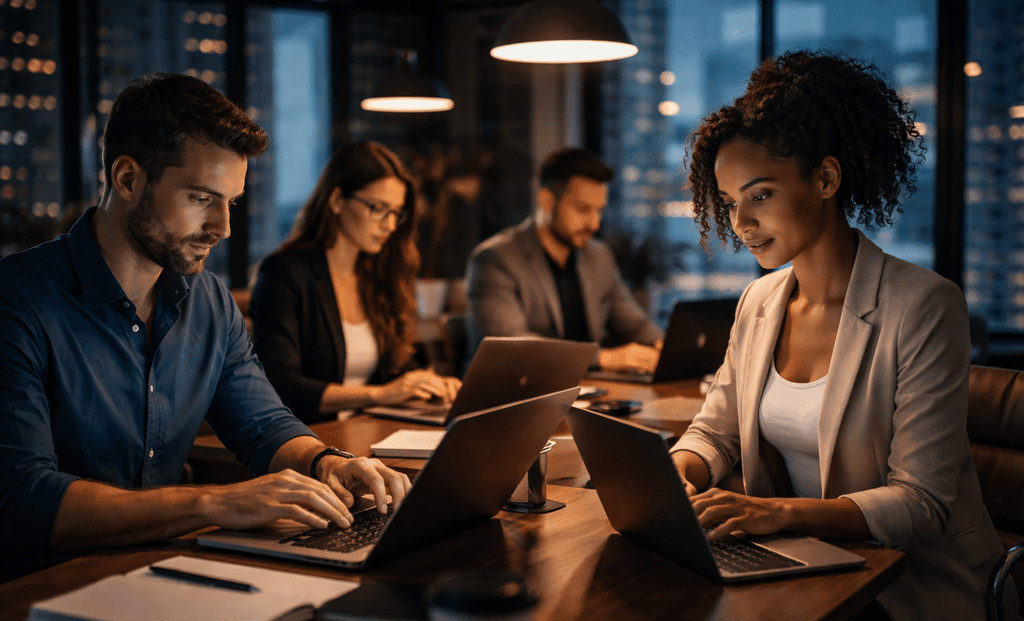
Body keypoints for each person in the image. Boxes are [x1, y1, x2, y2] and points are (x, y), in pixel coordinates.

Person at [672, 51, 1024, 621]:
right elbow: (716, 429)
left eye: (761, 195)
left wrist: (776, 514)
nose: (742, 224)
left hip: (904, 592)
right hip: (792, 568)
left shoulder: (924, 305)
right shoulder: (758, 302)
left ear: (826, 180)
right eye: (728, 203)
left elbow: (921, 505)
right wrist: (678, 472)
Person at [0, 74, 411, 581]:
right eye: (200, 198)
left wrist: (325, 461)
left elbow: (262, 425)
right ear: (128, 180)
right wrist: (214, 504)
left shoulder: (209, 300)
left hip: (163, 570)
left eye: (231, 202)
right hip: (40, 593)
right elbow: (23, 499)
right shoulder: (16, 301)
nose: (223, 227)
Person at [249, 141, 461, 426]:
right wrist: (380, 394)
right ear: (336, 200)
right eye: (378, 208)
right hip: (309, 436)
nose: (389, 225)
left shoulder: (380, 273)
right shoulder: (284, 273)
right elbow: (282, 386)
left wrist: (427, 383)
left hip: (368, 431)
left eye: (396, 213)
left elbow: (397, 370)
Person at [465, 147, 663, 373]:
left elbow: (633, 323)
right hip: (514, 393)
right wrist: (603, 358)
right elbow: (511, 345)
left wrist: (663, 347)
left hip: (586, 390)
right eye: (583, 210)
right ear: (547, 200)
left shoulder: (598, 256)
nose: (594, 224)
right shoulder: (495, 259)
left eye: (599, 211)